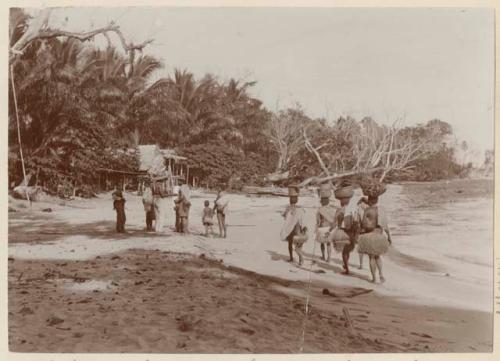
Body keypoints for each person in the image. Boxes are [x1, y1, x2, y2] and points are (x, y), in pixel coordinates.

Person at [357, 179, 392, 283]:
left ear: (369, 200)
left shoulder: (366, 210)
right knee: (377, 257)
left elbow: (362, 223)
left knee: (371, 258)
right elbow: (385, 225)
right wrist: (389, 236)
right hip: (379, 235)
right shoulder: (381, 209)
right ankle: (381, 274)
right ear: (377, 200)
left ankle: (374, 278)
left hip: (369, 236)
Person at [329, 181, 360, 275]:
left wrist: (329, 230)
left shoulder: (340, 210)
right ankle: (346, 266)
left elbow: (335, 223)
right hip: (352, 233)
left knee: (345, 252)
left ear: (341, 200)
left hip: (342, 233)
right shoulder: (354, 208)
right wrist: (357, 234)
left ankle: (346, 269)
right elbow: (357, 221)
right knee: (348, 250)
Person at [280, 186, 306, 264]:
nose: (291, 199)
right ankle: (299, 258)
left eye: (292, 198)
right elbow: (302, 219)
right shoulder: (299, 208)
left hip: (293, 228)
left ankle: (295, 258)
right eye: (292, 198)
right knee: (296, 244)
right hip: (296, 227)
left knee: (291, 243)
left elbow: (285, 217)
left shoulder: (290, 208)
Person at [315, 184, 337, 262]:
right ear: (328, 202)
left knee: (322, 243)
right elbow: (334, 219)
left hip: (322, 227)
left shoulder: (320, 210)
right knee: (328, 243)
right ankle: (329, 258)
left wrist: (316, 228)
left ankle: (323, 256)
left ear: (321, 202)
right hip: (329, 228)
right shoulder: (331, 209)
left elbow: (318, 220)